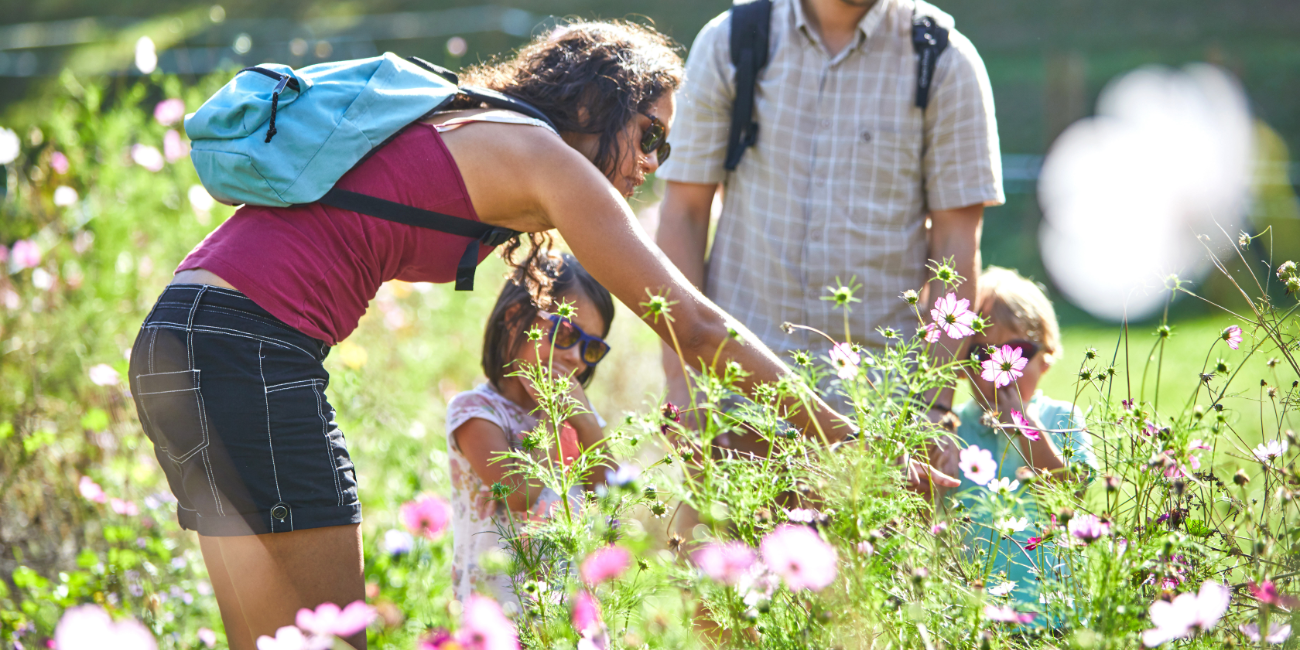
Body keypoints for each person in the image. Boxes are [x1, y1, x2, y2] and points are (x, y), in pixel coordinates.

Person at [126, 21, 923, 650]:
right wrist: (850, 438)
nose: (654, 161)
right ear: (592, 106)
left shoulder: (475, 128)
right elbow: (696, 324)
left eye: (665, 147)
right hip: (252, 350)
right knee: (332, 633)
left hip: (178, 340)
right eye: (650, 134)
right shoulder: (542, 156)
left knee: (270, 639)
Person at [656, 0, 1003, 435]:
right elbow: (684, 213)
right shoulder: (733, 39)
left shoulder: (943, 59)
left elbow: (957, 241)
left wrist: (933, 408)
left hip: (880, 405)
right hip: (737, 393)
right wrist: (684, 383)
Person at [446, 253, 614, 608]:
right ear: (514, 319)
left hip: (568, 603)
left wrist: (584, 421)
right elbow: (518, 493)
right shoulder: (476, 412)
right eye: (566, 333)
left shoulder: (579, 414)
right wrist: (555, 420)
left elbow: (612, 498)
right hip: (501, 606)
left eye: (592, 347)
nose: (577, 359)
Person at [948, 266, 1098, 603]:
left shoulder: (1063, 417)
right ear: (960, 366)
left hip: (1052, 602)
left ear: (1045, 357)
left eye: (1016, 352)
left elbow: (1070, 493)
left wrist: (1025, 426)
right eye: (982, 354)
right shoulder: (953, 428)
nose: (999, 370)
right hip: (977, 609)